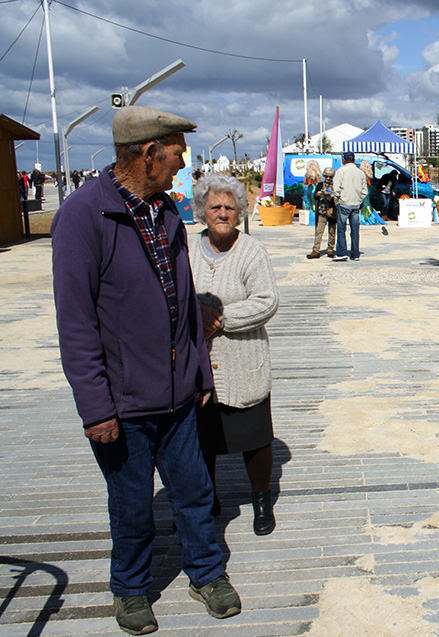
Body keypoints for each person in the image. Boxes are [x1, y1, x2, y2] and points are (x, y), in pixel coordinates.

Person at [51, 105, 241, 635]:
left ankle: (207, 573)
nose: (183, 163)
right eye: (177, 151)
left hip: (179, 395)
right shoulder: (84, 215)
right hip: (122, 403)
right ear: (149, 154)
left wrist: (201, 373)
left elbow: (182, 303)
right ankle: (131, 590)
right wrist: (95, 406)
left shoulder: (165, 212)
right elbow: (76, 322)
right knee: (132, 506)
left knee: (196, 492)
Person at [189, 174, 280, 537]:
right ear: (203, 211)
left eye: (230, 207)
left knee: (255, 438)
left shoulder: (251, 251)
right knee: (200, 439)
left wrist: (222, 319)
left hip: (243, 359)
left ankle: (261, 500)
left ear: (240, 211)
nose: (223, 213)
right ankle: (207, 499)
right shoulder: (187, 247)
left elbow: (267, 300)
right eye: (215, 207)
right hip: (197, 363)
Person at [332, 151, 366, 262]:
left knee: (341, 229)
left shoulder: (340, 171)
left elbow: (336, 189)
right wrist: (359, 200)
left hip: (344, 203)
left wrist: (338, 199)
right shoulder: (360, 173)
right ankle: (355, 254)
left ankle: (342, 253)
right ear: (354, 160)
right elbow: (365, 191)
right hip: (356, 204)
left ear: (344, 159)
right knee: (355, 230)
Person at [308, 165, 337, 259]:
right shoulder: (320, 185)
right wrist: (318, 194)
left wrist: (332, 197)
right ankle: (316, 250)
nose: (328, 178)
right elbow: (314, 196)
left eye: (330, 176)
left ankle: (330, 249)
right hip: (322, 210)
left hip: (332, 211)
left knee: (332, 232)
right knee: (319, 231)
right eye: (326, 176)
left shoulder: (335, 185)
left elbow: (338, 197)